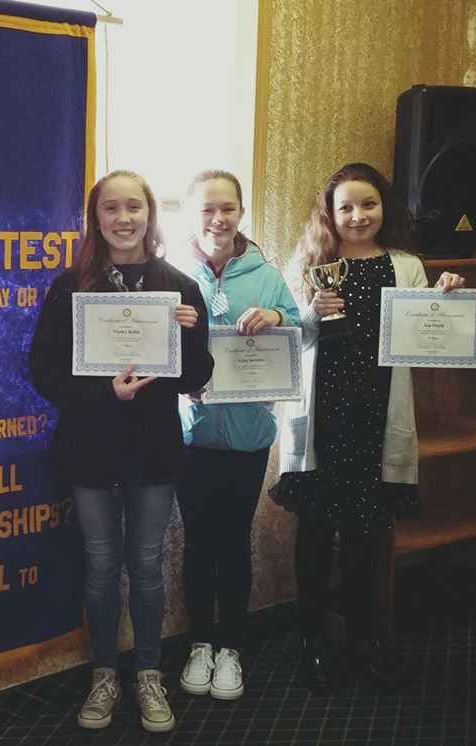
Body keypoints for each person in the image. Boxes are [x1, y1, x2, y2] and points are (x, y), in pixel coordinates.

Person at [29, 170, 214, 733]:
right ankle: (105, 675)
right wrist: (105, 393)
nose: (123, 218)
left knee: (147, 565)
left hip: (154, 449)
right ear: (96, 217)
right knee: (102, 564)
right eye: (111, 208)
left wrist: (190, 331)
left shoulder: (179, 286)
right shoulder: (70, 287)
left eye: (134, 206)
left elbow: (196, 377)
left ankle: (149, 674)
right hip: (89, 447)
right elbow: (43, 372)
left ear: (150, 214)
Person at [269, 162, 464, 694]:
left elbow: (425, 337)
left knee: (364, 535)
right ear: (329, 214)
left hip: (376, 416)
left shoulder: (406, 265)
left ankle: (362, 638)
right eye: (346, 207)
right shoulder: (308, 262)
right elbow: (287, 338)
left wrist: (446, 299)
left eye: (369, 204)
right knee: (314, 533)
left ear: (385, 208)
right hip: (322, 419)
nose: (358, 216)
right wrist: (312, 311)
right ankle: (313, 640)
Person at [176, 170, 300, 700]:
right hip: (190, 438)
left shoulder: (266, 275)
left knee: (234, 541)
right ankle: (199, 645)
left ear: (241, 213)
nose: (218, 219)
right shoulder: (175, 274)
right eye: (207, 209)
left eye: (227, 208)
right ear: (191, 214)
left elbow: (300, 330)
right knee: (198, 544)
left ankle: (231, 648)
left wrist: (276, 314)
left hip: (250, 438)